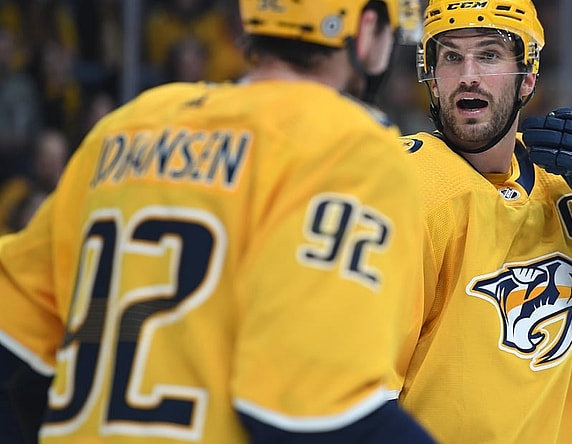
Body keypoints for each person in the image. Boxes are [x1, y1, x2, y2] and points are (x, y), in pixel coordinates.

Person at [0, 1, 435, 443]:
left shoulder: (131, 123)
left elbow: (12, 338)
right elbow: (304, 415)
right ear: (366, 28)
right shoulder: (347, 145)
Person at [395, 1, 572, 442]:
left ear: (527, 76)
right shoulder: (404, 185)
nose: (468, 74)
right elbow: (354, 388)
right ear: (432, 79)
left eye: (489, 55)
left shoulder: (566, 191)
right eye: (451, 56)